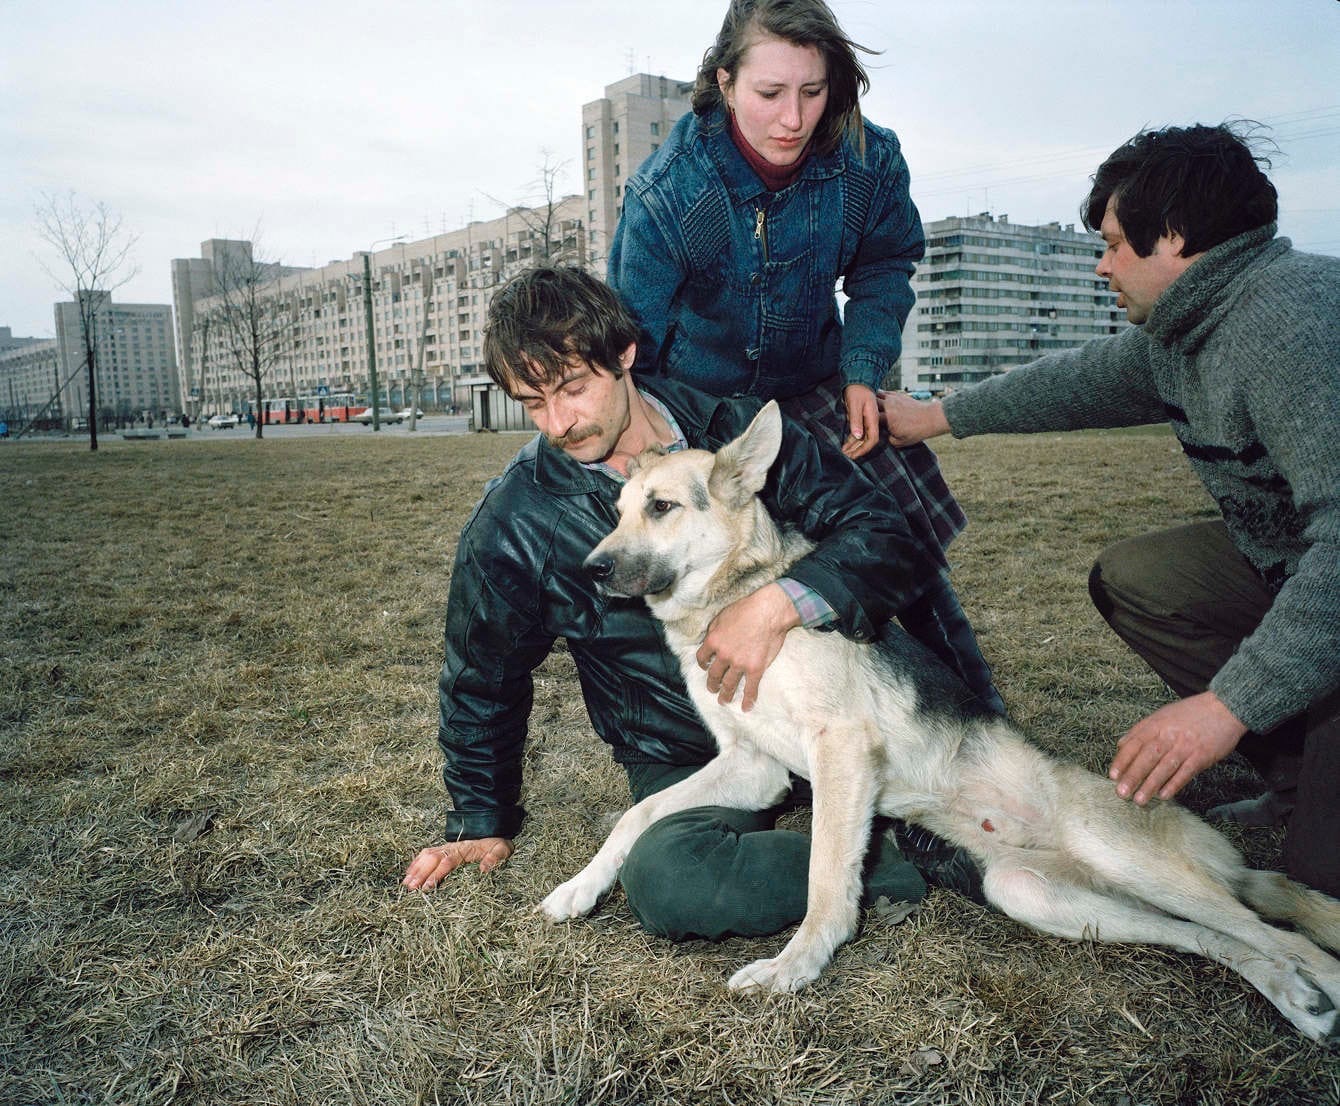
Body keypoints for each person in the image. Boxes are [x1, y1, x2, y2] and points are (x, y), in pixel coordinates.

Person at [401, 265, 987, 939]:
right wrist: (479, 820)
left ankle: (884, 818)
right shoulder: (516, 520)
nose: (559, 422)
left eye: (572, 389)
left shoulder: (732, 427)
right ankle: (874, 862)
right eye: (534, 404)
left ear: (623, 356)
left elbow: (886, 538)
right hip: (683, 744)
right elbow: (482, 677)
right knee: (669, 879)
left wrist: (779, 604)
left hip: (826, 701)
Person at [881, 123, 1340, 897]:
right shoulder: (1192, 321)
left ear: (1178, 238)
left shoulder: (1292, 325)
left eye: (1116, 244)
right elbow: (1075, 382)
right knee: (1142, 578)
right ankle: (1300, 776)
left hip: (1326, 577)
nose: (1101, 265)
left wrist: (1228, 706)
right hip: (1298, 574)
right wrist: (935, 415)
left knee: (1317, 894)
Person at [607, 0, 1002, 714]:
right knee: (723, 578)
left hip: (819, 384)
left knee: (897, 555)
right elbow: (635, 348)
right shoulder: (667, 195)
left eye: (812, 92)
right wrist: (664, 450)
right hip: (704, 411)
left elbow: (886, 264)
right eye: (768, 93)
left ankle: (975, 723)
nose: (793, 118)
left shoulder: (865, 157)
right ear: (725, 83)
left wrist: (864, 368)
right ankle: (774, 744)